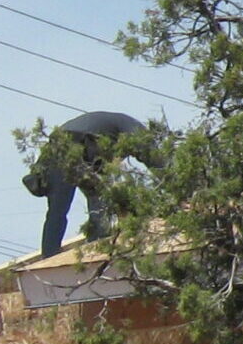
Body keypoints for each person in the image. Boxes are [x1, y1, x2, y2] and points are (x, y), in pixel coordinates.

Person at [24, 110, 149, 257]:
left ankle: (97, 242)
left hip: (79, 147)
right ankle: (51, 254)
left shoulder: (126, 132)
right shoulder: (133, 133)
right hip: (73, 146)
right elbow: (158, 164)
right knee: (62, 208)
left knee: (90, 201)